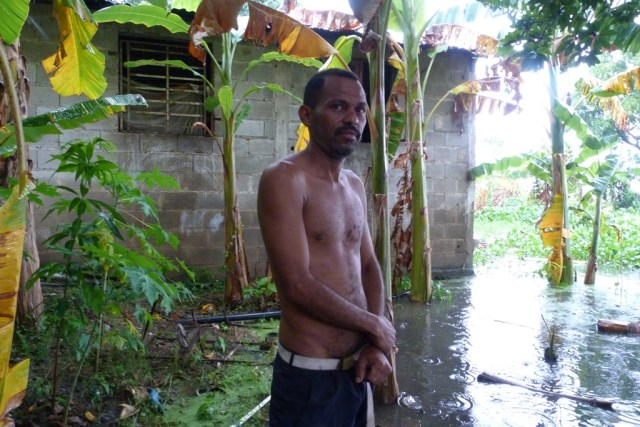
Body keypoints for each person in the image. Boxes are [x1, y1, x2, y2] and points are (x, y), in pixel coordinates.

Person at [257, 68, 396, 426]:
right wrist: (375, 324)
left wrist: (376, 342)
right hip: (309, 380)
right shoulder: (285, 180)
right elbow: (296, 285)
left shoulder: (353, 185)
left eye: (361, 110)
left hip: (357, 373)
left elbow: (368, 266)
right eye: (338, 106)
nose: (353, 118)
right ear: (307, 115)